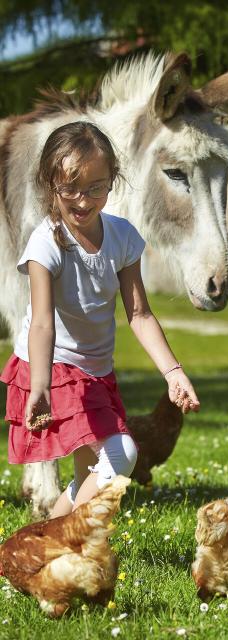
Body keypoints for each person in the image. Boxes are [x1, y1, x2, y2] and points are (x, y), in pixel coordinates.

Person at [0, 121, 200, 518]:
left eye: (95, 187)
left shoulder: (122, 237)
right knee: (121, 454)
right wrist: (40, 386)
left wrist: (172, 372)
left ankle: (47, 546)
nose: (82, 200)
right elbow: (41, 323)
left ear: (112, 183)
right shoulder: (46, 244)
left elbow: (140, 314)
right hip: (52, 368)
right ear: (49, 185)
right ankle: (57, 544)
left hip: (96, 372)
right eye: (69, 189)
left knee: (88, 477)